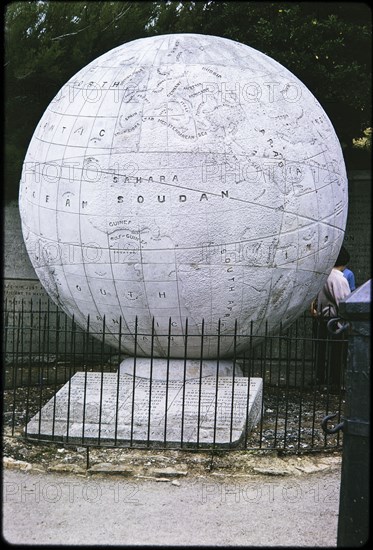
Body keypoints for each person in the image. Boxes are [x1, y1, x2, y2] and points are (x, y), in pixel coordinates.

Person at [311, 246, 351, 390]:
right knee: (337, 353)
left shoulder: (325, 275)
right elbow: (343, 301)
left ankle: (320, 378)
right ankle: (334, 382)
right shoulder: (339, 278)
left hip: (323, 317)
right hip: (335, 320)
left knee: (322, 350)